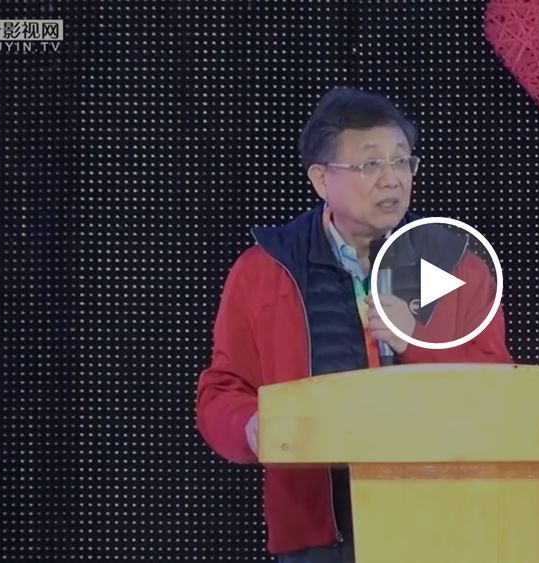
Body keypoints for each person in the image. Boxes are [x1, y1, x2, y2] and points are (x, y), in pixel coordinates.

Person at [194, 86, 513, 563]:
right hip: (318, 535)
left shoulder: (458, 267)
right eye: (370, 164)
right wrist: (252, 425)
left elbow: (499, 392)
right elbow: (223, 391)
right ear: (322, 179)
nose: (392, 179)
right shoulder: (263, 272)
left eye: (402, 161)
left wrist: (415, 342)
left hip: (441, 521)